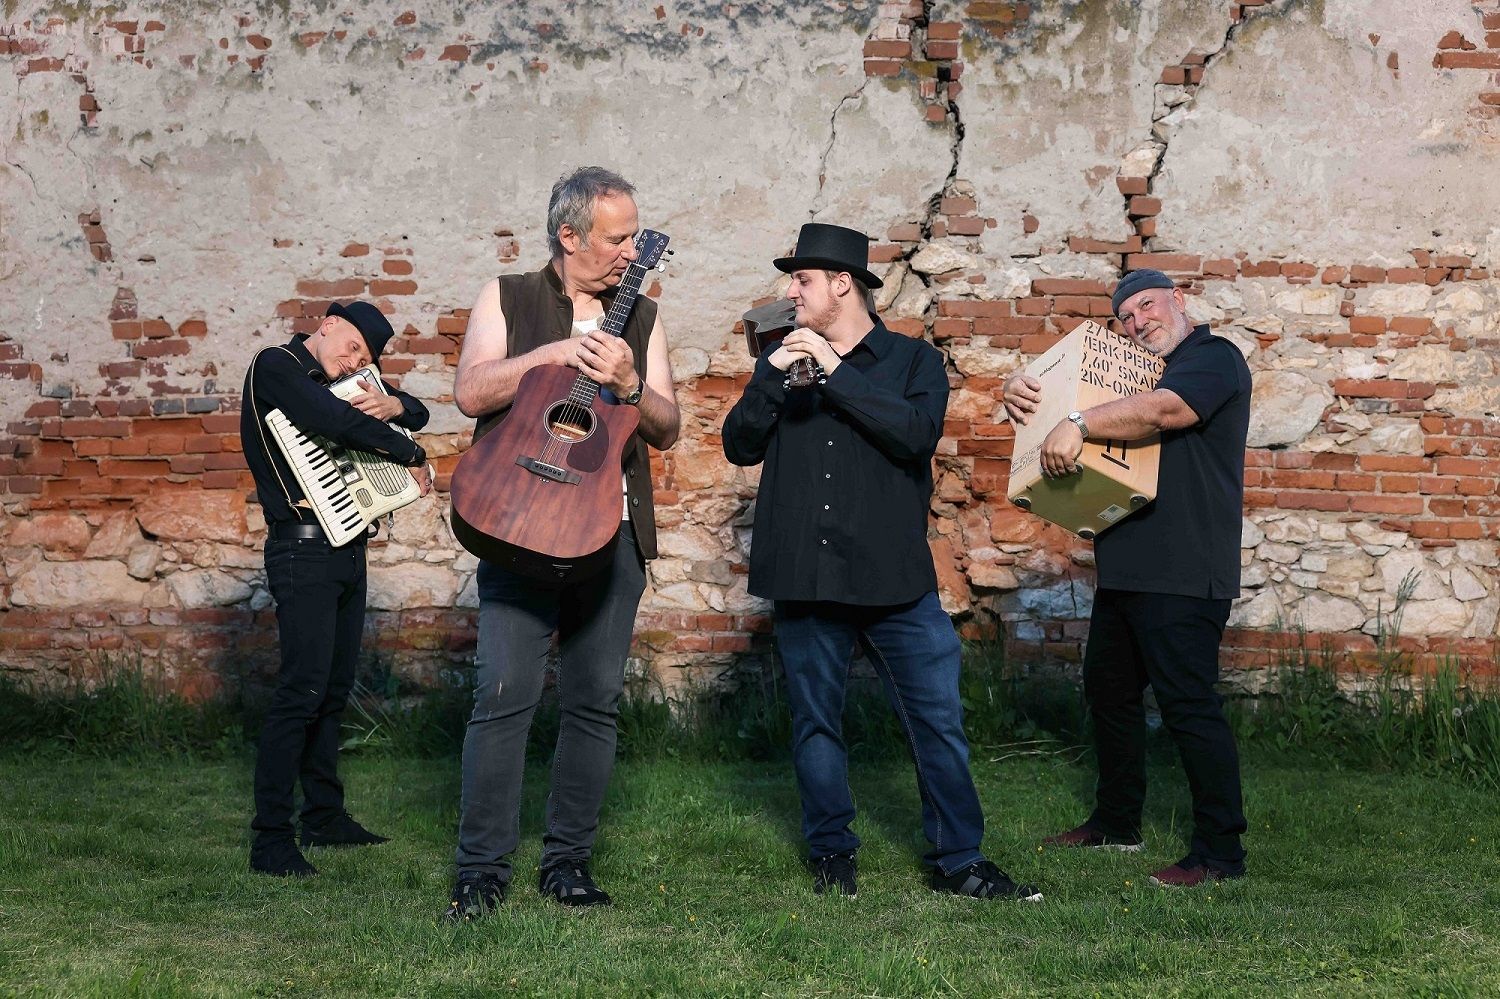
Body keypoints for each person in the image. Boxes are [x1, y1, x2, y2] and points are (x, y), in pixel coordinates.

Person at [722, 222, 1042, 901]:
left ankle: (959, 858)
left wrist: (834, 372)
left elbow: (914, 434)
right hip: (806, 574)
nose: (790, 292)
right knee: (815, 722)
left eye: (802, 280)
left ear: (842, 284)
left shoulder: (913, 362)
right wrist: (771, 379)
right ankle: (831, 852)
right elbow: (739, 445)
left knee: (937, 721)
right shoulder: (779, 358)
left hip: (893, 578)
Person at [445, 166, 680, 918]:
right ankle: (481, 869)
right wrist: (549, 357)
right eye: (617, 239)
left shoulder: (641, 316)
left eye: (636, 237)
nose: (631, 251)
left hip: (610, 532)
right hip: (517, 522)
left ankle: (568, 864)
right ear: (569, 236)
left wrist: (631, 384)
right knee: (502, 694)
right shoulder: (507, 297)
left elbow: (668, 427)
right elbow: (470, 391)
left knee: (594, 701)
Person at [1003, 268, 1252, 887]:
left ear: (1179, 300)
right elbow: (1076, 397)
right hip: (1126, 566)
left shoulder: (1212, 358)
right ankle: (1117, 824)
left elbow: (1167, 410)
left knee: (1188, 706)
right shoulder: (1132, 375)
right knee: (1109, 693)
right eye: (1126, 317)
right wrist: (1022, 391)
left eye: (1147, 305)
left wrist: (1078, 422)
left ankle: (1220, 853)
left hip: (1186, 567)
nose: (1139, 321)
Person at [242, 300, 433, 877]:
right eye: (351, 348)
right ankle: (271, 839)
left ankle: (323, 817)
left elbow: (418, 410)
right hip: (301, 549)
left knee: (333, 689)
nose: (353, 363)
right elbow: (334, 421)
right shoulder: (275, 366)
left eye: (364, 359)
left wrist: (394, 404)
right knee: (301, 691)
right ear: (327, 326)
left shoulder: (347, 382)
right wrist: (410, 452)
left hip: (348, 543)